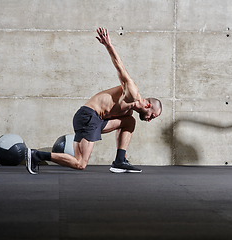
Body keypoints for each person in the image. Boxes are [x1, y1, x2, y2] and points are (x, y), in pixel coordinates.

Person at [25, 27, 162, 174]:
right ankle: (36, 155)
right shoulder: (132, 94)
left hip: (95, 120)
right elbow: (120, 67)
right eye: (152, 116)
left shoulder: (129, 112)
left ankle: (120, 161)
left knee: (129, 122)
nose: (149, 120)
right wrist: (109, 46)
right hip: (88, 116)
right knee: (80, 163)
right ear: (148, 105)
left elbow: (122, 127)